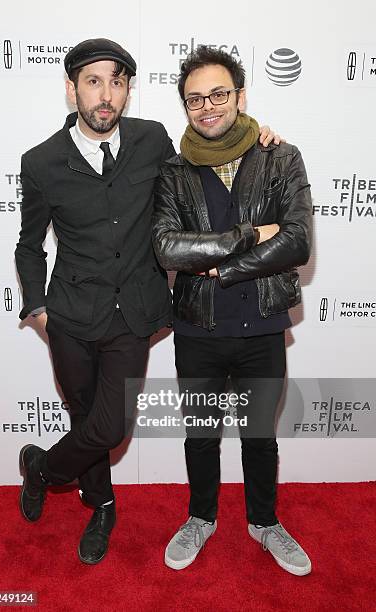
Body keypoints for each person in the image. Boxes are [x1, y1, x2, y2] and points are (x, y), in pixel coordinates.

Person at [15, 37, 281, 566]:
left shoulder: (152, 139)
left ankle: (41, 468)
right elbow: (29, 245)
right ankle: (103, 505)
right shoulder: (41, 161)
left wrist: (259, 141)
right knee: (86, 415)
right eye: (93, 82)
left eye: (116, 82)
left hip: (133, 316)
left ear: (129, 91)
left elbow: (203, 167)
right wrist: (37, 308)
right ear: (72, 90)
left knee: (110, 426)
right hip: (69, 314)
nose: (105, 94)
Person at [152, 46, 312, 576]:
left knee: (259, 436)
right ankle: (201, 517)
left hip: (262, 326)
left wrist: (225, 267)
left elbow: (296, 242)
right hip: (197, 329)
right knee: (201, 434)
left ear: (240, 96)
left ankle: (264, 522)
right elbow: (169, 249)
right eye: (195, 99)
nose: (208, 106)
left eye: (219, 94)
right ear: (186, 107)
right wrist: (245, 236)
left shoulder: (280, 157)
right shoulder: (173, 170)